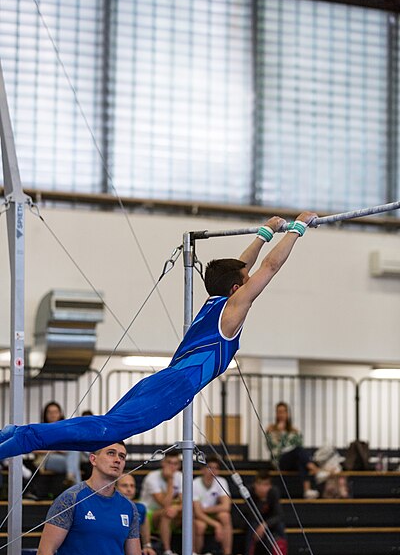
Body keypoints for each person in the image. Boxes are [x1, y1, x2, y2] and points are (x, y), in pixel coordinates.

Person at [0, 212, 317, 457]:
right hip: (173, 387)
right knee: (106, 429)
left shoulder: (214, 303)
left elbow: (239, 267)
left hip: (161, 382)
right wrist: (297, 229)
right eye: (246, 280)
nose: (251, 279)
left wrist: (264, 232)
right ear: (238, 288)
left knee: (103, 436)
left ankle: (16, 435)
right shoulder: (232, 310)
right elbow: (270, 268)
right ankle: (27, 436)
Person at [37, 441, 145, 555]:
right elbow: (45, 552)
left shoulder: (129, 508)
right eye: (111, 453)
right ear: (93, 459)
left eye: (122, 456)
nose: (117, 459)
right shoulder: (71, 499)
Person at [193, 457, 243, 555]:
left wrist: (205, 509)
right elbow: (197, 512)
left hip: (208, 513)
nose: (213, 471)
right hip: (199, 516)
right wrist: (217, 525)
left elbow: (226, 506)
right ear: (202, 470)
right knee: (200, 525)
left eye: (215, 468)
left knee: (225, 516)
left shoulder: (221, 481)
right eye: (209, 467)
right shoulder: (195, 484)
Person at [266, 402, 320, 499]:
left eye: (284, 412)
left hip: (293, 460)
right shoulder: (271, 430)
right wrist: (279, 434)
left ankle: (307, 491)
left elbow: (300, 447)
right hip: (280, 461)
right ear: (276, 414)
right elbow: (272, 448)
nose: (281, 415)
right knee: (298, 451)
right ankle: (315, 470)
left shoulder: (294, 431)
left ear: (288, 414)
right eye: (279, 412)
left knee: (300, 458)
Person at [33, 401, 81, 485]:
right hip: (45, 459)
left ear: (60, 413)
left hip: (63, 458)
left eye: (55, 412)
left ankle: (71, 477)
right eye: (50, 412)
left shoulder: (64, 430)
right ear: (45, 414)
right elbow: (33, 448)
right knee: (73, 465)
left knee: (74, 456)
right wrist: (55, 449)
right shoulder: (40, 429)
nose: (53, 415)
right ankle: (78, 492)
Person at [116, 473, 157, 555]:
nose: (129, 489)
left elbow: (144, 529)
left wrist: (148, 546)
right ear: (115, 487)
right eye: (124, 485)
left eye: (132, 486)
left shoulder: (140, 508)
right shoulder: (108, 508)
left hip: (134, 551)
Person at [246, 470, 287, 555]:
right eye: (260, 484)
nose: (262, 487)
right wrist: (261, 500)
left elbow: (280, 515)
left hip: (267, 522)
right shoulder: (249, 493)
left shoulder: (273, 492)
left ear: (270, 486)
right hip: (253, 521)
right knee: (252, 526)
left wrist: (264, 525)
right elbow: (249, 514)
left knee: (280, 525)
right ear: (254, 485)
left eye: (266, 484)